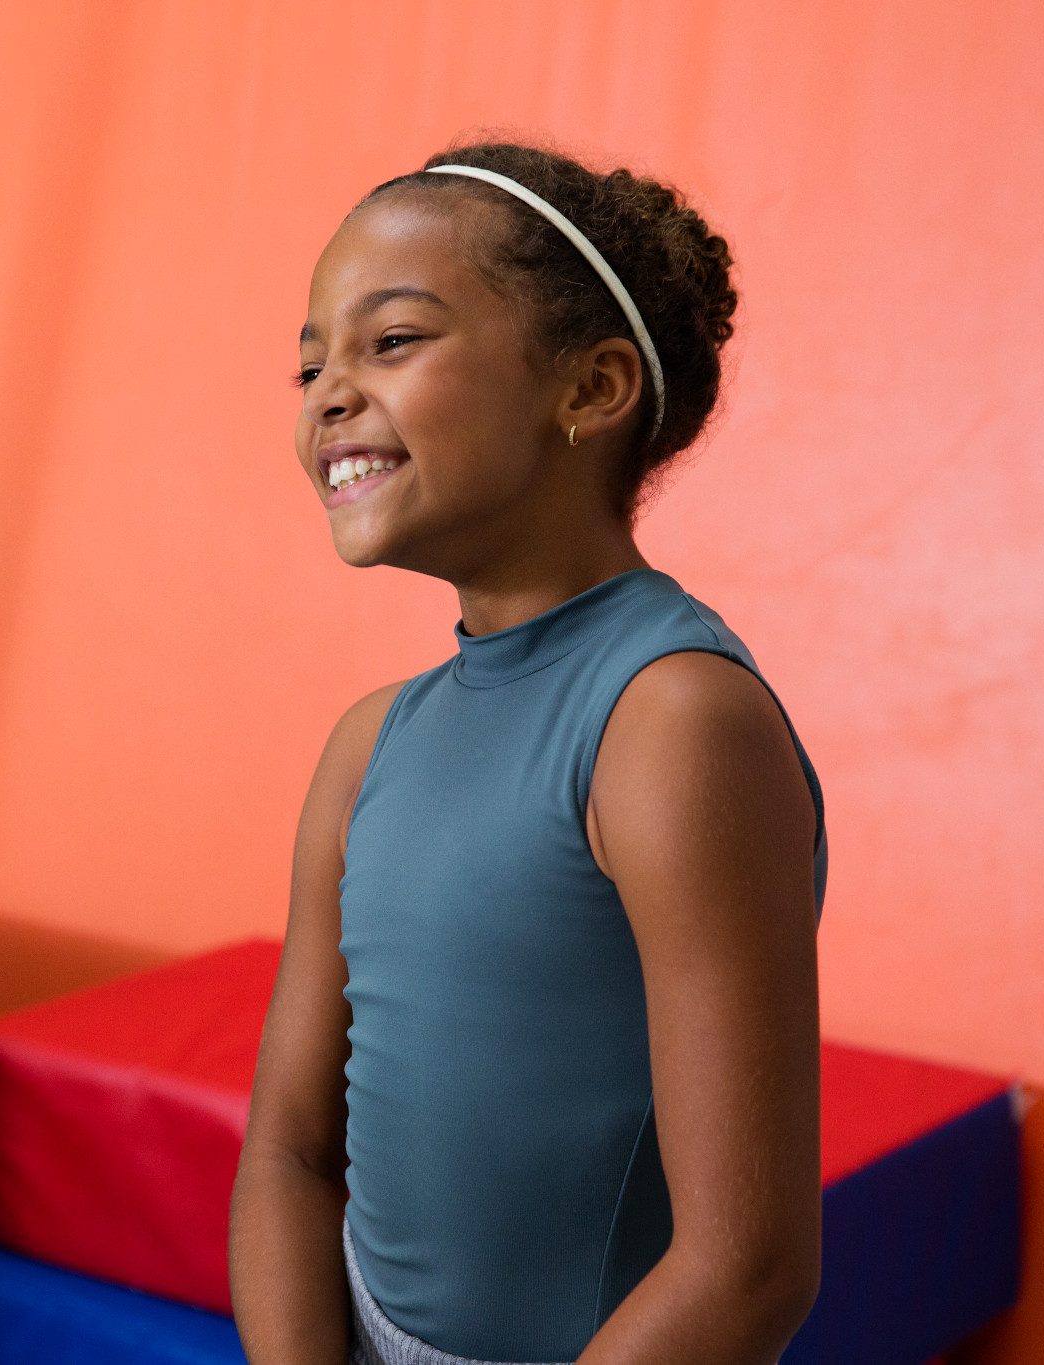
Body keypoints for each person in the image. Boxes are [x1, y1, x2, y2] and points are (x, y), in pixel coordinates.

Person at [228, 137, 828, 1365]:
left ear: (589, 390)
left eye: (390, 341)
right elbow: (288, 1152)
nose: (328, 393)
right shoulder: (368, 745)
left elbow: (744, 1268)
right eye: (309, 363)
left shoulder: (668, 723)